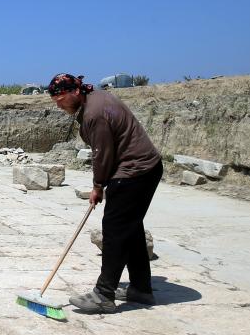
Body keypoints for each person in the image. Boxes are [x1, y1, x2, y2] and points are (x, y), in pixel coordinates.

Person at [47, 73, 163, 313]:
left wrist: (98, 186)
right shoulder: (95, 99)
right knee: (131, 229)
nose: (58, 105)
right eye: (55, 100)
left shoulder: (94, 113)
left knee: (115, 231)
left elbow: (103, 153)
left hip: (134, 172)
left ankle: (103, 294)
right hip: (143, 168)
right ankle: (140, 288)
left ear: (75, 92)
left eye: (61, 99)